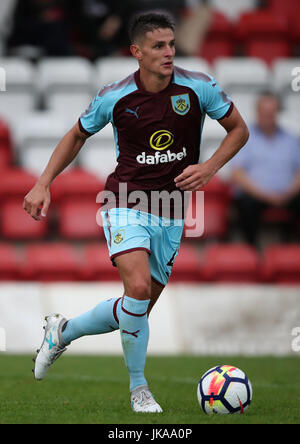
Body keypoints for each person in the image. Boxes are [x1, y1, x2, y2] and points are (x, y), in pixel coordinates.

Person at [24, 12, 249, 413]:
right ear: (137, 52)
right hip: (125, 202)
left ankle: (61, 332)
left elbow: (239, 129)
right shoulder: (116, 96)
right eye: (159, 46)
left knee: (136, 307)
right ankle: (139, 390)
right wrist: (44, 182)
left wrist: (209, 167)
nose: (168, 52)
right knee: (139, 291)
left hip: (172, 209)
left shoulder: (198, 87)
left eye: (172, 44)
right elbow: (77, 134)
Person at [231, 92, 300, 245]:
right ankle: (252, 249)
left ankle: (290, 246)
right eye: (265, 112)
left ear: (278, 113)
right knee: (246, 203)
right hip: (255, 195)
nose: (268, 116)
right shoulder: (243, 137)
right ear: (258, 112)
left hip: (288, 195)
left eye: (272, 112)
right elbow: (237, 174)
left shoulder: (291, 139)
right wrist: (266, 195)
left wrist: (288, 193)